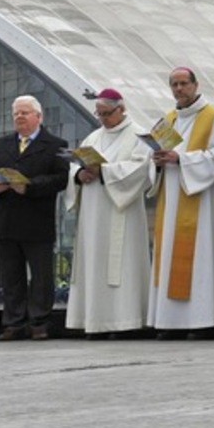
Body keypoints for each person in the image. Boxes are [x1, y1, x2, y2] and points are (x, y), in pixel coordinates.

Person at [65, 88, 153, 338]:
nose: (103, 119)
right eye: (99, 114)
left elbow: (140, 169)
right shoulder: (93, 138)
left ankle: (123, 321)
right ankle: (96, 322)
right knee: (94, 262)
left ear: (121, 109)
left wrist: (104, 172)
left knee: (120, 264)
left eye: (107, 113)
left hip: (120, 211)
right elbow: (75, 166)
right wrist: (80, 174)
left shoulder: (138, 135)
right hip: (93, 213)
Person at [0, 95, 69, 341]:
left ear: (38, 117)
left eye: (25, 113)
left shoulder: (55, 144)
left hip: (36, 220)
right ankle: (13, 322)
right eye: (16, 113)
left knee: (41, 275)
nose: (19, 117)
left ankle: (39, 321)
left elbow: (61, 179)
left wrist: (29, 186)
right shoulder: (0, 146)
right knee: (11, 276)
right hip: (6, 220)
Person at [147, 67, 214, 339]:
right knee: (168, 255)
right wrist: (156, 162)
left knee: (199, 260)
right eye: (174, 84)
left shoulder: (211, 116)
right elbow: (156, 155)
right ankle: (169, 322)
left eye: (183, 83)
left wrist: (180, 159)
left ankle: (200, 322)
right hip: (170, 198)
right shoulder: (168, 119)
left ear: (195, 85)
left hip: (198, 200)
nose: (179, 89)